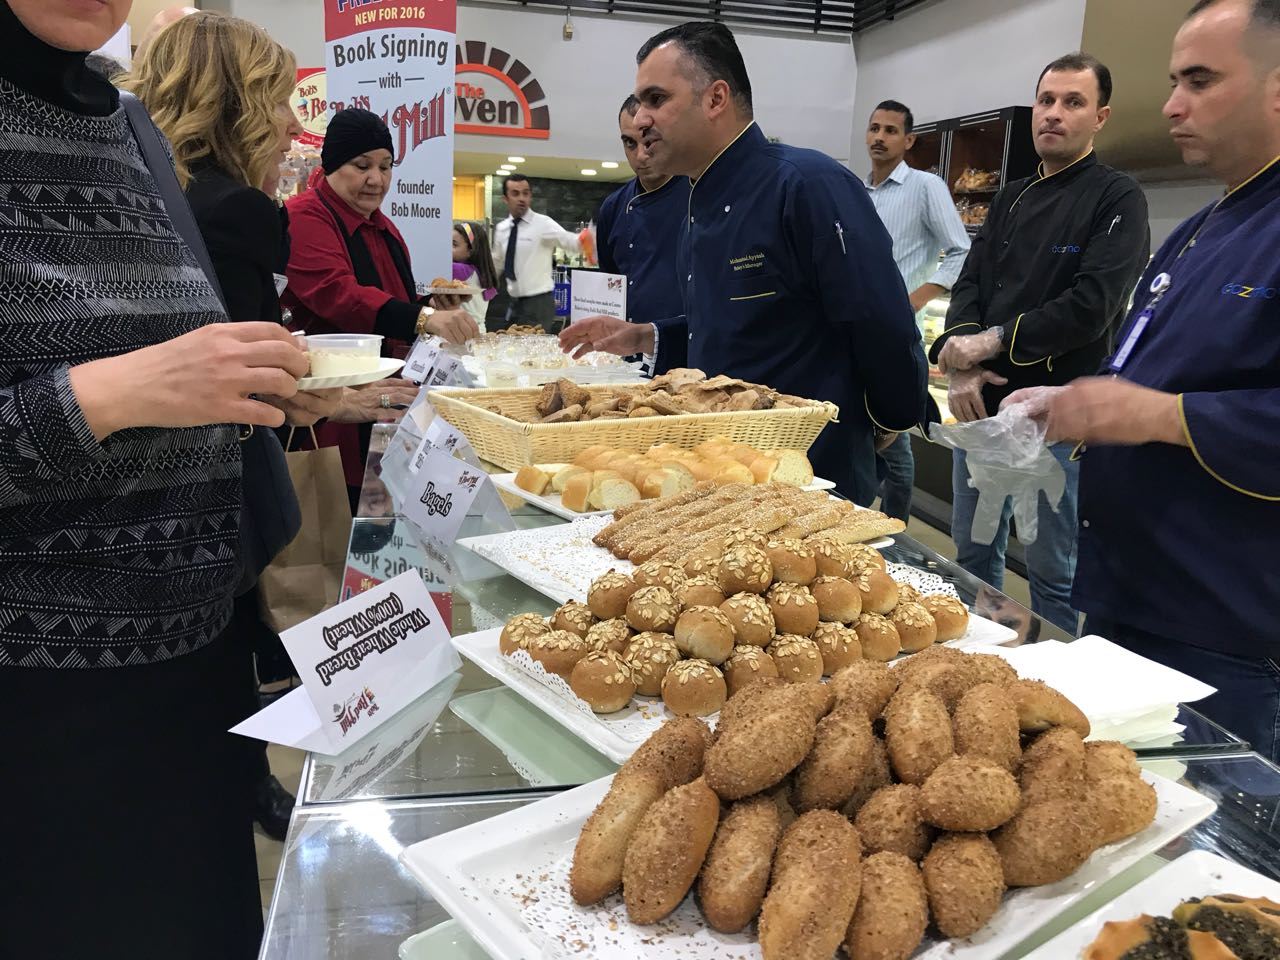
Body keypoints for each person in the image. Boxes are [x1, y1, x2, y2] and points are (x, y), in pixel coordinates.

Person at [0, 0, 310, 956]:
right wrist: (113, 393)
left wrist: (240, 388)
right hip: (40, 707)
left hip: (191, 677)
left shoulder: (126, 122)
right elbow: (131, 383)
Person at [1005, 0, 1280, 759]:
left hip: (1225, 631)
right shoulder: (1199, 230)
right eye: (1172, 81)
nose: (1171, 106)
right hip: (1127, 600)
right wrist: (1072, 402)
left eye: (1200, 80)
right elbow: (1140, 366)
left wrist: (1160, 416)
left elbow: (1163, 404)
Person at [561, 22, 929, 500]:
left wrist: (888, 417)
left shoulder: (806, 184)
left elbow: (882, 321)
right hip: (723, 470)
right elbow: (735, 325)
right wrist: (646, 336)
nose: (641, 119)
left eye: (656, 99)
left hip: (810, 476)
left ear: (716, 98)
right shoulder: (696, 202)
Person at [926, 52, 1151, 634]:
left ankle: (1050, 669)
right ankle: (976, 652)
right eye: (1046, 100)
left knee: (1054, 571)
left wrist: (990, 343)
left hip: (1058, 419)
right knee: (973, 556)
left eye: (1073, 102)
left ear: (1100, 117)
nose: (1054, 113)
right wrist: (961, 366)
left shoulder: (1118, 198)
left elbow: (1091, 306)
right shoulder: (1010, 197)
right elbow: (970, 284)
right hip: (981, 409)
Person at [282, 107, 477, 502]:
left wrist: (430, 305)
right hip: (330, 415)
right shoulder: (303, 216)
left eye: (386, 166)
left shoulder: (383, 227)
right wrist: (424, 317)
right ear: (333, 165)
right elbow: (338, 295)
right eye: (362, 165)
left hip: (387, 407)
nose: (377, 179)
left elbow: (391, 302)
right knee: (337, 521)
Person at [864, 98, 972, 521]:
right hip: (858, 329)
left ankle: (896, 528)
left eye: (891, 130)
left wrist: (914, 298)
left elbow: (961, 251)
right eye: (874, 128)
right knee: (866, 429)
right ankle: (861, 519)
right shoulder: (858, 192)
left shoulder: (925, 187)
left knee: (895, 432)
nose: (880, 137)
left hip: (897, 333)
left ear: (908, 140)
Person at [595, 95, 690, 374]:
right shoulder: (613, 207)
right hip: (628, 364)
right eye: (629, 143)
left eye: (649, 142)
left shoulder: (700, 196)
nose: (640, 156)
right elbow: (610, 285)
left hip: (689, 358)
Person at [491, 173, 586, 332]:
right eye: (515, 193)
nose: (522, 198)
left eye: (526, 193)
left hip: (539, 303)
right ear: (505, 199)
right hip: (511, 301)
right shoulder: (502, 229)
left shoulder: (543, 224)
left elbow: (570, 241)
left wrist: (588, 238)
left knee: (531, 344)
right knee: (510, 343)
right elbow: (497, 263)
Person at [452, 220, 500, 333]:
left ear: (471, 250)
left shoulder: (460, 270)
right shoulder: (482, 272)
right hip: (479, 330)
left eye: (454, 244)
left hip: (462, 332)